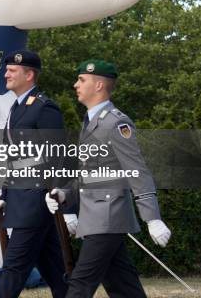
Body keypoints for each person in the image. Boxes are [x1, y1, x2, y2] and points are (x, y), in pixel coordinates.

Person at [45, 59, 172, 298]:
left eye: (82, 80)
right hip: (96, 217)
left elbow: (137, 171)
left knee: (80, 284)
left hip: (108, 216)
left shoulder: (116, 123)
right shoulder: (91, 122)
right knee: (123, 287)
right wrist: (65, 195)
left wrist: (152, 218)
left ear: (99, 85)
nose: (75, 85)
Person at [0, 50, 73, 298]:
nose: (6, 74)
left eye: (12, 70)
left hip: (36, 203)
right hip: (21, 200)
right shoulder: (15, 108)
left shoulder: (43, 108)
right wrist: (5, 194)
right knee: (57, 272)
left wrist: (65, 203)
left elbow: (59, 156)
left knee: (13, 269)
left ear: (29, 74)